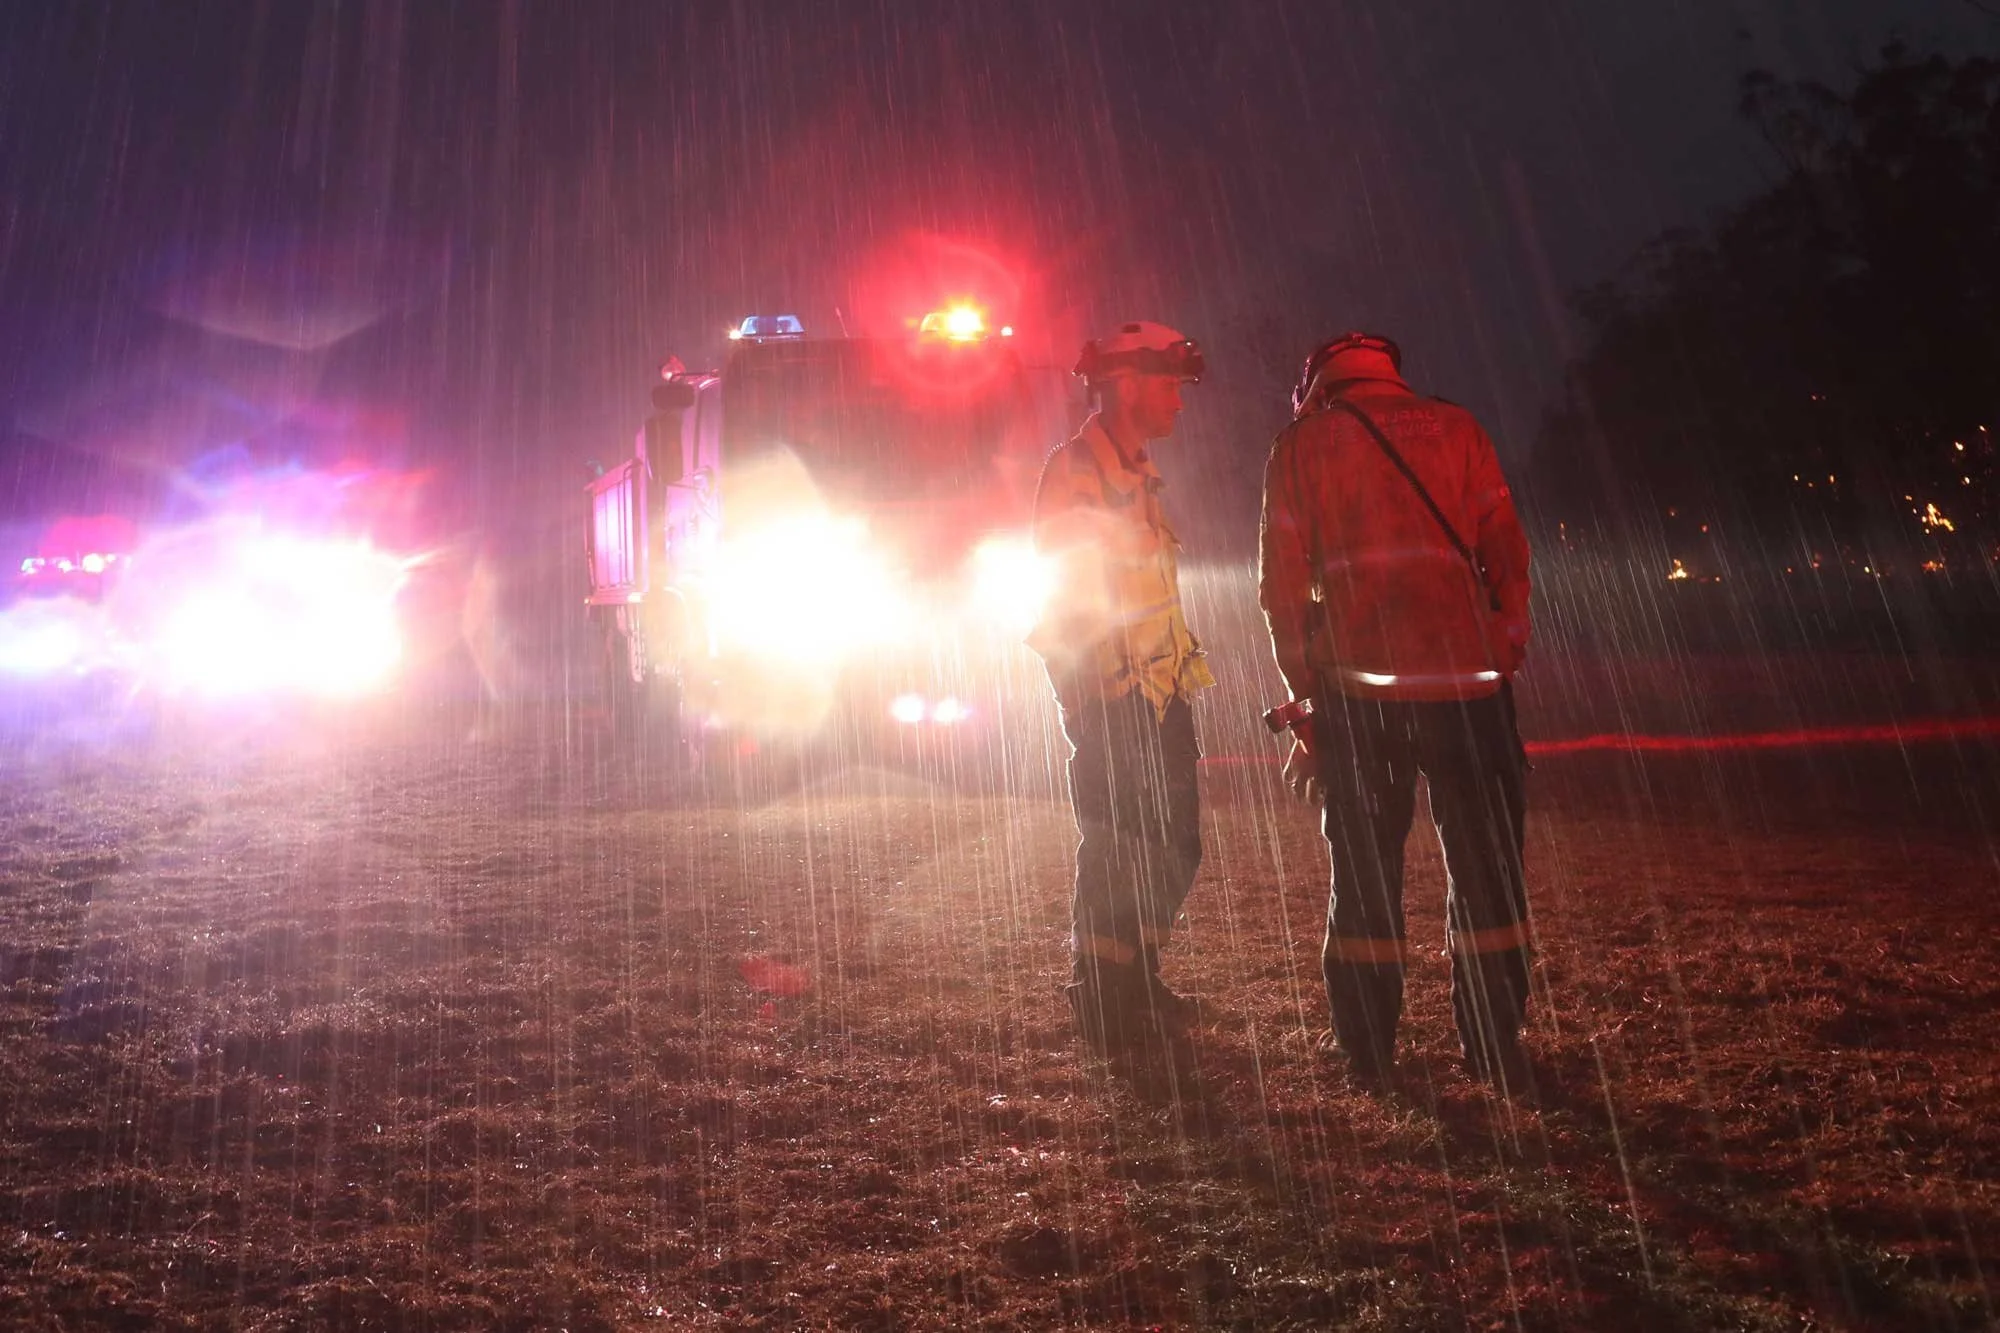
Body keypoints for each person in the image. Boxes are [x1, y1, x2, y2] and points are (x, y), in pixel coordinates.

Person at [1257, 331, 1535, 1091]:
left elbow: (1282, 590)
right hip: (1471, 688)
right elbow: (1508, 549)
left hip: (1359, 690)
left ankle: (1369, 1051)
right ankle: (1493, 1043)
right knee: (1490, 868)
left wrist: (1307, 695)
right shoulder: (1460, 426)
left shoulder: (1300, 447)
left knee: (1366, 873)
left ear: (1317, 387)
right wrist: (1506, 635)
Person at [1028, 321, 1214, 1056]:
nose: (1179, 400)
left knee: (1173, 846)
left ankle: (1134, 977)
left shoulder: (1138, 474)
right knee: (1119, 846)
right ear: (1127, 384)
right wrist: (1089, 695)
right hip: (1116, 694)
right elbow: (1068, 592)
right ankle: (1102, 996)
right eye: (1168, 384)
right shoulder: (1078, 469)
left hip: (1162, 692)